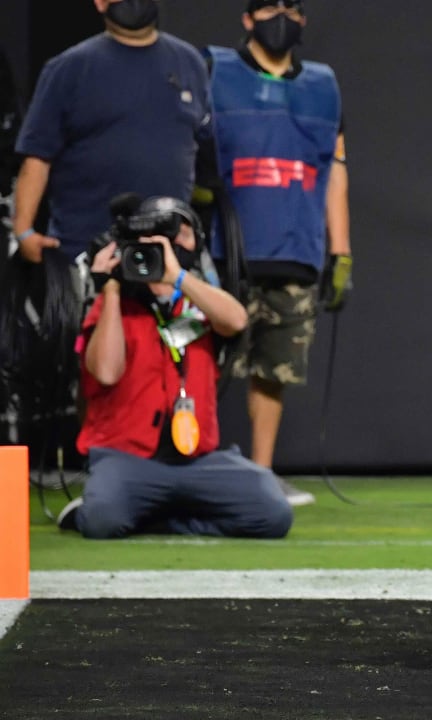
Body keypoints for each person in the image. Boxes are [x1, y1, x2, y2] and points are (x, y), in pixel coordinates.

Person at [57, 196, 293, 539]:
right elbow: (106, 371)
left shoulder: (197, 301)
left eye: (184, 236)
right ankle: (134, 507)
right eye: (169, 237)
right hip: (129, 459)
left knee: (273, 514)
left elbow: (237, 319)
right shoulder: (116, 306)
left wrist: (177, 276)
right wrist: (110, 287)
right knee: (101, 520)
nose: (177, 245)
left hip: (197, 460)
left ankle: (159, 518)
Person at [201, 0, 352, 506]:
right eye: (269, 6)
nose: (281, 16)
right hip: (225, 253)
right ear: (247, 18)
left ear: (305, 19)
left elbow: (335, 170)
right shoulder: (213, 70)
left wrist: (341, 251)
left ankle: (260, 475)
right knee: (203, 364)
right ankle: (193, 470)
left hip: (296, 251)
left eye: (291, 7)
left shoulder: (323, 86)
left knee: (274, 370)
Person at [12, 0, 210, 270]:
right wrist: (23, 230)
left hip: (169, 253)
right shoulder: (69, 67)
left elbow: (202, 148)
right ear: (100, 3)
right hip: (83, 251)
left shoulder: (190, 63)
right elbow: (37, 156)